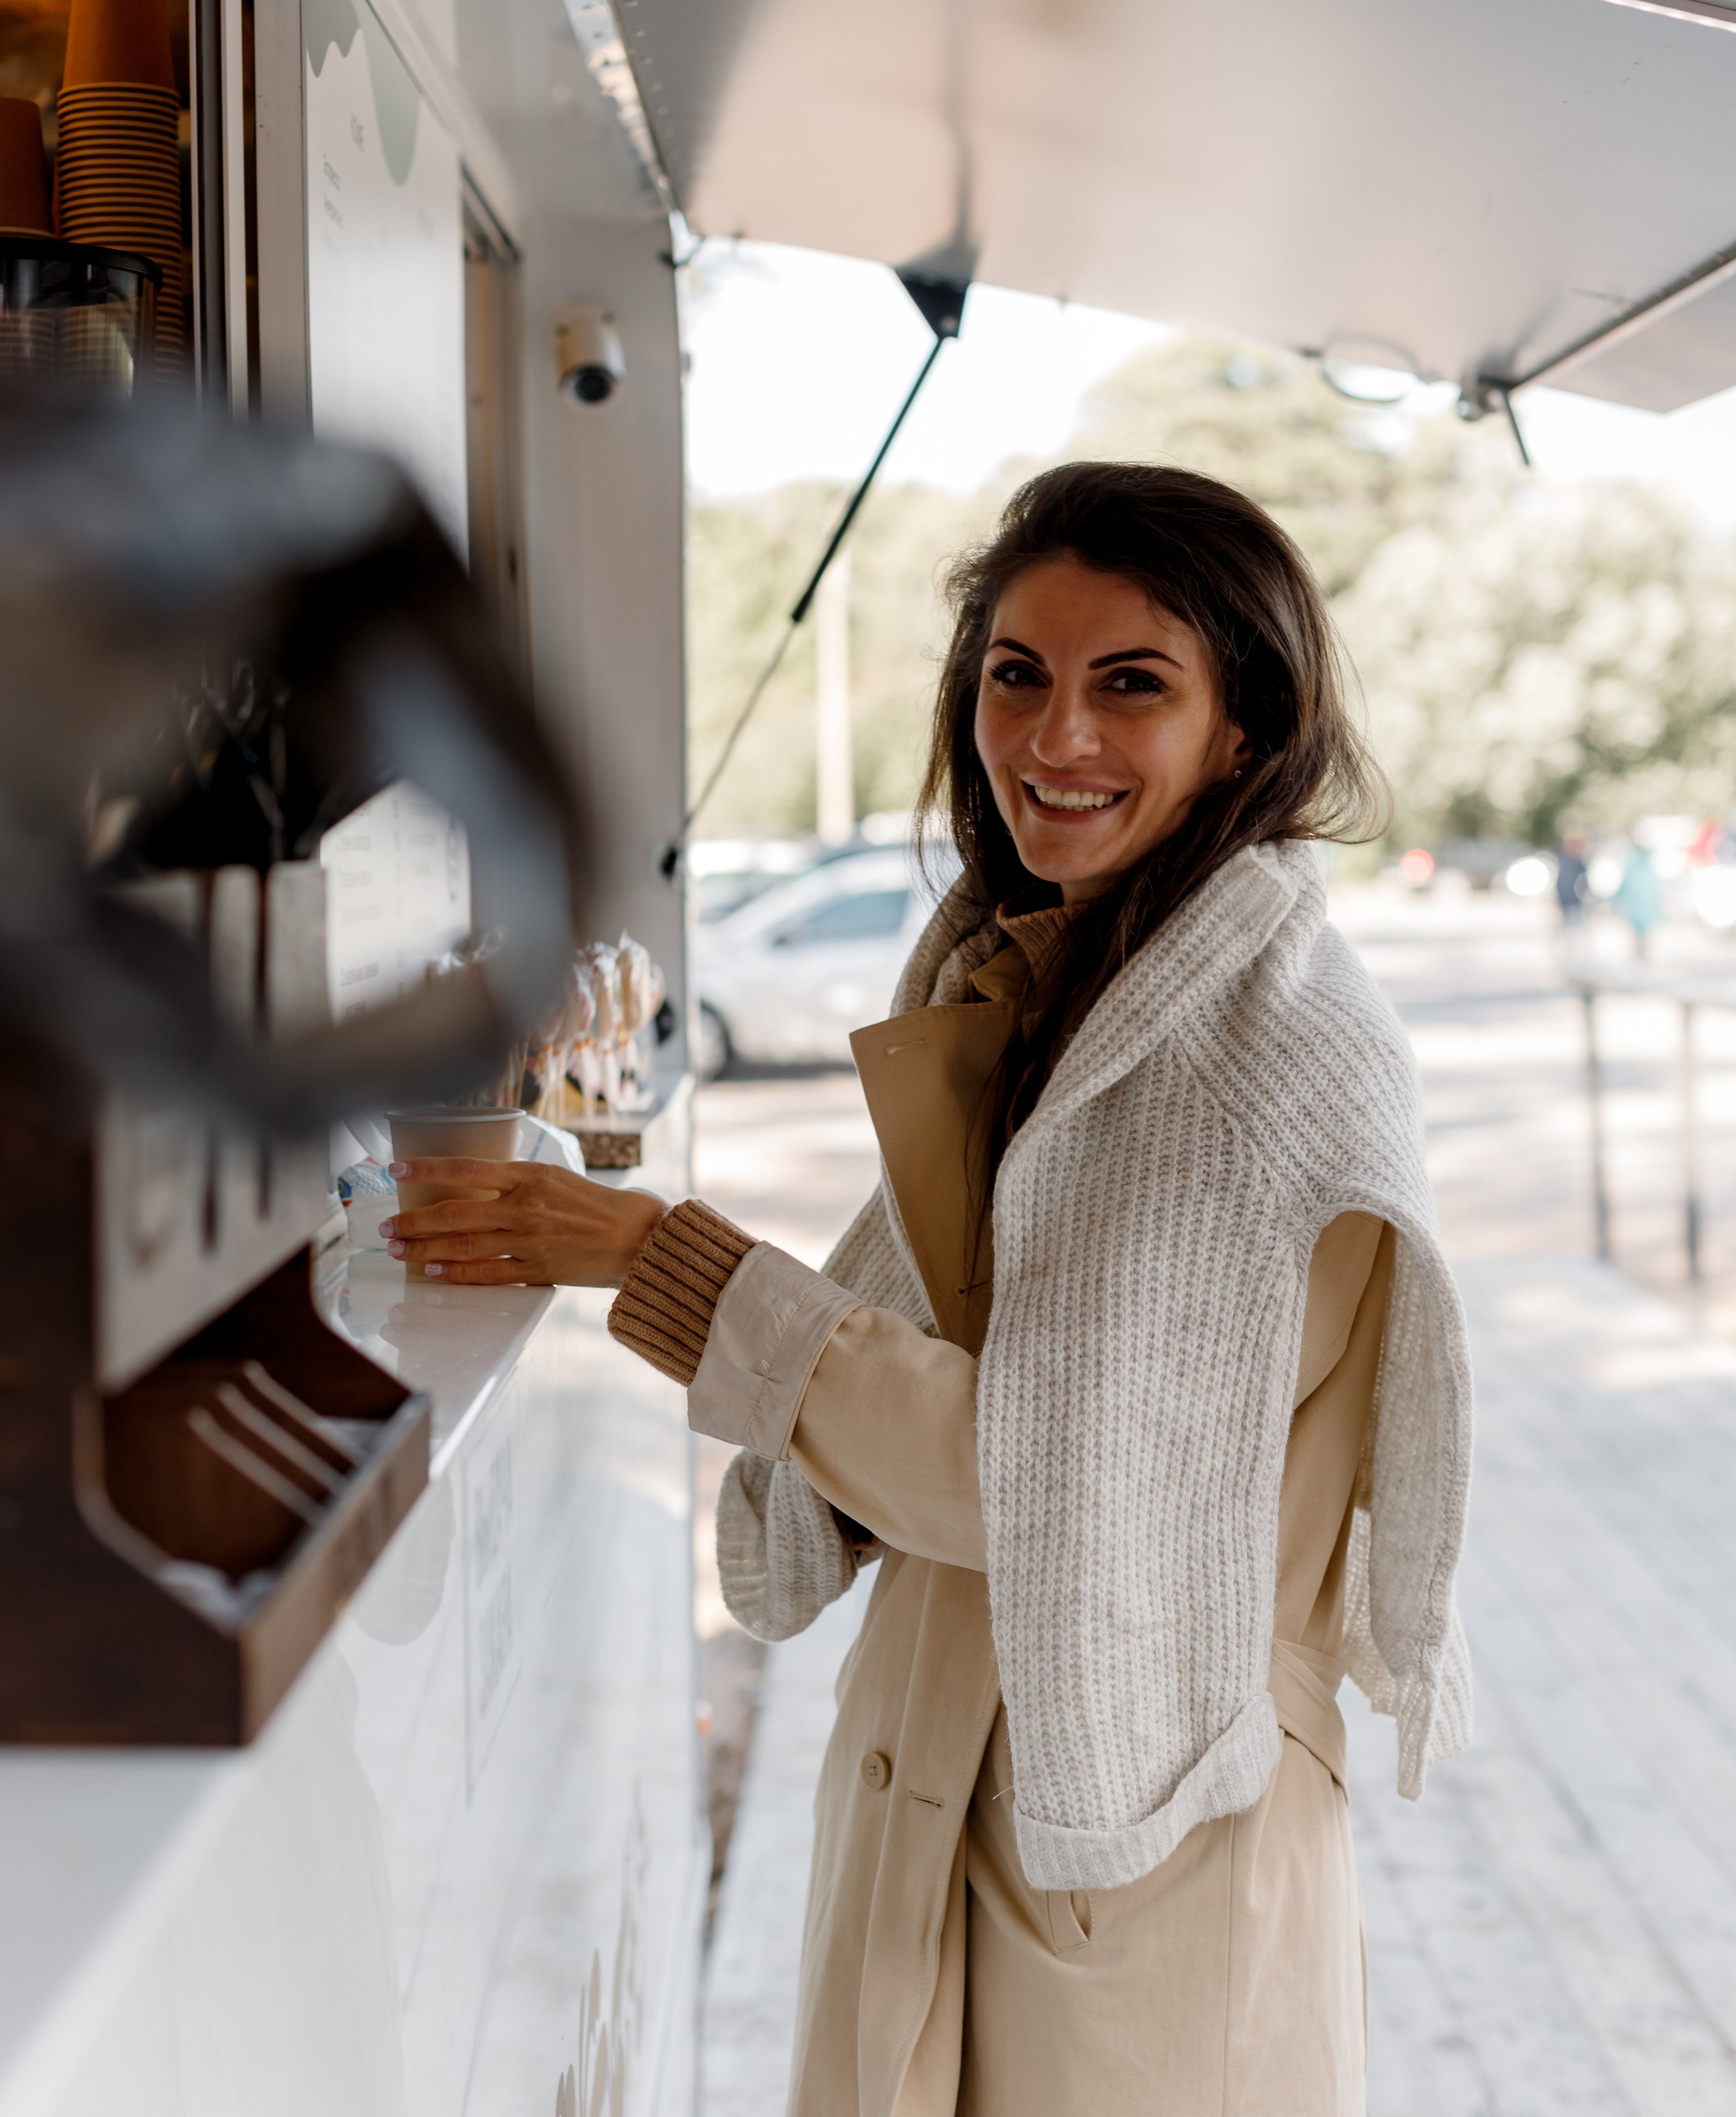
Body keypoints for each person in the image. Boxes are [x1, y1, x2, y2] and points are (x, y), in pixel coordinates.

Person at [379, 464, 1474, 2116]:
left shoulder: (1255, 1069)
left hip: (1145, 1869)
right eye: (1014, 674)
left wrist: (648, 1253)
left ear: (1245, 729)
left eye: (1132, 684)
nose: (1054, 738)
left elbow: (1026, 1473)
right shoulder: (1042, 985)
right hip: (955, 1798)